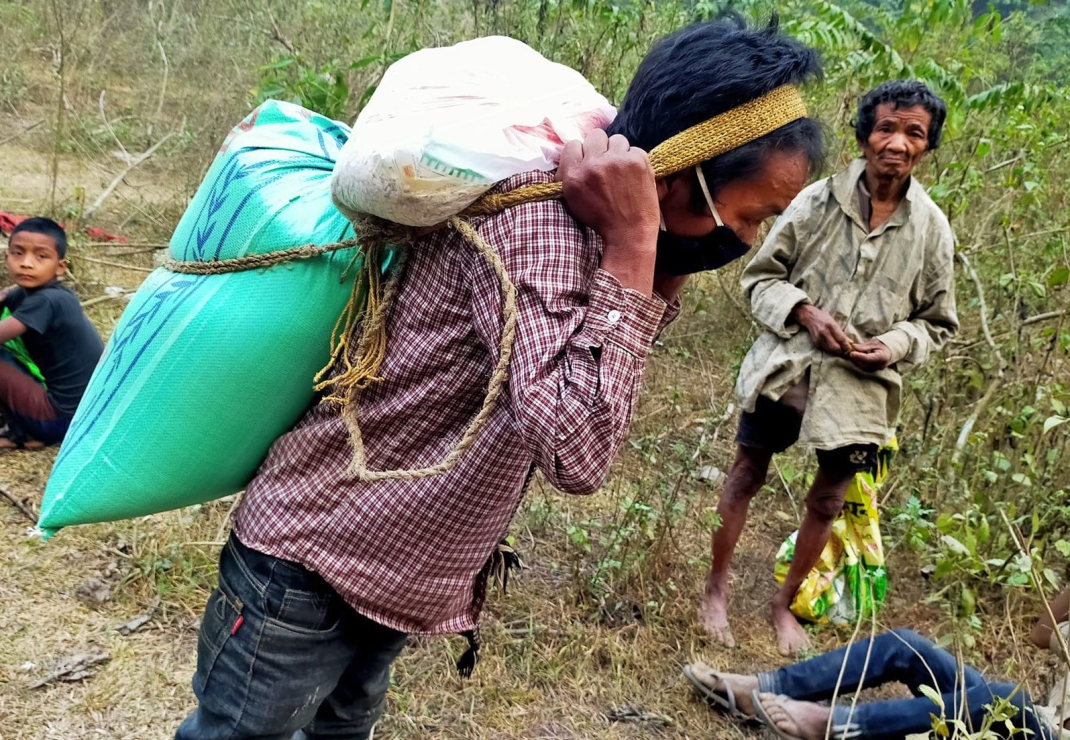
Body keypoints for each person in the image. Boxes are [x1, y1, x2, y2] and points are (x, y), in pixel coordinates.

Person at [177, 17, 825, 740]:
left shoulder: (604, 243)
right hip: (311, 568)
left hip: (393, 569)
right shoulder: (540, 229)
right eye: (752, 216)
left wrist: (650, 264)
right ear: (676, 179)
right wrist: (639, 245)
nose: (750, 240)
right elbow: (578, 455)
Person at [700, 79, 960, 656]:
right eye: (886, 128)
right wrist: (806, 313)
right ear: (865, 135)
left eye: (913, 133)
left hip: (860, 389)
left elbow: (937, 321)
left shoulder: (931, 228)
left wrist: (891, 345)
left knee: (828, 501)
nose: (896, 143)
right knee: (746, 474)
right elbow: (759, 278)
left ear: (926, 147)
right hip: (788, 365)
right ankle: (714, 590)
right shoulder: (817, 199)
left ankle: (783, 605)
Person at [684, 628, 1064, 740]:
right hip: (1034, 723)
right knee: (907, 647)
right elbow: (1040, 633)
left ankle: (838, 725)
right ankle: (761, 687)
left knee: (1009, 697)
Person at [0, 217, 104, 448]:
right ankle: (26, 431)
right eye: (18, 253)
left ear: (60, 267)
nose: (26, 263)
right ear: (7, 258)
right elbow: (6, 297)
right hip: (80, 417)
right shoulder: (34, 294)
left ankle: (21, 434)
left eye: (41, 256)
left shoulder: (48, 300)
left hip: (61, 419)